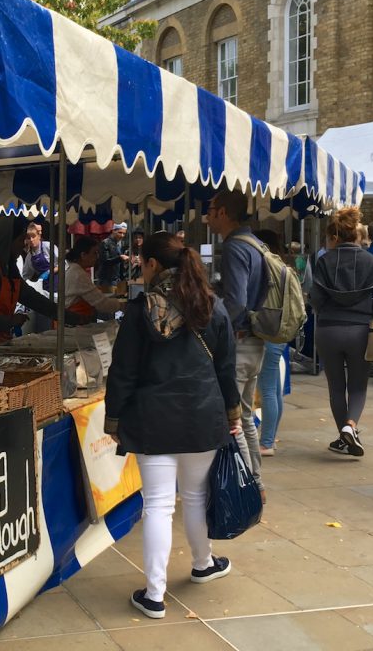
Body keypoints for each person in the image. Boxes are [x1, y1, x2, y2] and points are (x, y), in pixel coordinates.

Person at [104, 232, 240, 620]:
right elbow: (226, 369)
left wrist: (114, 418)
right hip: (202, 416)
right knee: (195, 496)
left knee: (159, 505)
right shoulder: (212, 306)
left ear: (151, 264)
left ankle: (154, 594)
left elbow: (123, 372)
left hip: (153, 420)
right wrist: (233, 414)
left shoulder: (139, 311)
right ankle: (202, 564)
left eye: (141, 264)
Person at [310, 207, 373, 457]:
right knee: (358, 386)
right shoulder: (372, 261)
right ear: (357, 234)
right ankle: (351, 426)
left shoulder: (324, 260)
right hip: (360, 330)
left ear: (334, 235)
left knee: (336, 387)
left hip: (327, 329)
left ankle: (344, 436)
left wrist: (326, 307)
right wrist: (370, 308)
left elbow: (314, 298)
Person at [207, 189, 266, 491]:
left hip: (240, 341)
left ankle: (246, 486)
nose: (207, 214)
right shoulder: (255, 243)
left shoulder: (234, 248)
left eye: (211, 208)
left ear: (223, 213)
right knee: (244, 415)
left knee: (234, 418)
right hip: (255, 341)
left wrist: (212, 329)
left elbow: (237, 302)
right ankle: (255, 480)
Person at [0, 217, 86, 348]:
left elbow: (35, 300)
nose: (24, 245)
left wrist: (73, 318)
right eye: (21, 240)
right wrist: (9, 321)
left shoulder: (10, 268)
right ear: (7, 242)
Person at [254, 230, 290, 457]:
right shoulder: (283, 267)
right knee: (274, 387)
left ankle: (266, 442)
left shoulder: (265, 269)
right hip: (282, 330)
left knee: (267, 387)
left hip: (268, 330)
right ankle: (271, 436)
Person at [64, 237, 125, 321]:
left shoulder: (75, 270)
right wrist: (123, 305)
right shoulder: (78, 275)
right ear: (83, 255)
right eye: (94, 253)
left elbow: (95, 291)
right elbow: (103, 304)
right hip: (76, 323)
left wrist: (116, 290)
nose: (97, 256)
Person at [21, 222, 58, 332]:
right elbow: (25, 275)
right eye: (28, 238)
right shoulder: (29, 256)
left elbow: (62, 264)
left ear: (39, 236)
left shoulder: (48, 246)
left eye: (33, 236)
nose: (31, 240)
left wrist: (49, 272)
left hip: (58, 286)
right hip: (44, 290)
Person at [97, 222, 129, 288]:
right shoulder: (105, 243)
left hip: (117, 279)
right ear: (113, 231)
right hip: (107, 280)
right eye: (120, 233)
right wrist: (120, 258)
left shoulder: (120, 244)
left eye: (124, 233)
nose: (122, 235)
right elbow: (105, 261)